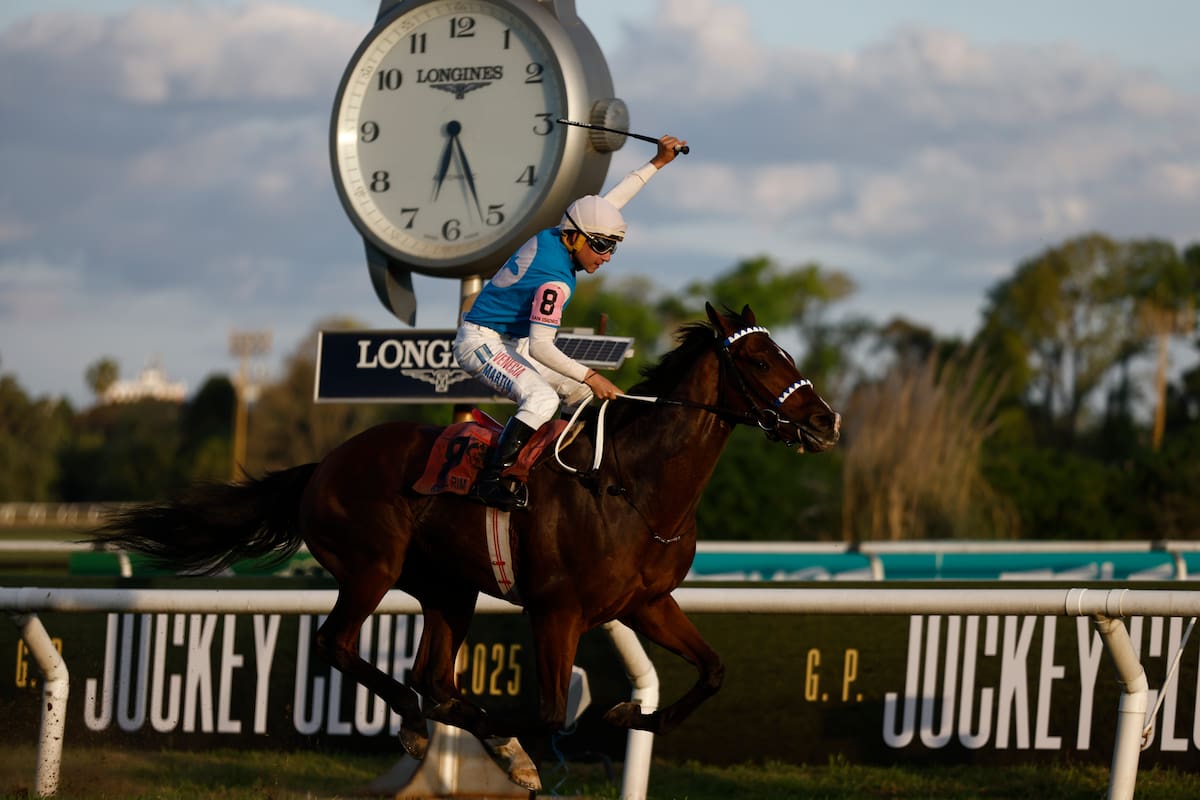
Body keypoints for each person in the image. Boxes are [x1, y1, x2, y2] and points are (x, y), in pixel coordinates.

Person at [453, 133, 688, 511]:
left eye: (613, 246)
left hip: (510, 341)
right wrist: (592, 376)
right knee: (543, 397)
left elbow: (608, 204)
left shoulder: (561, 233)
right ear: (575, 237)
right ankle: (491, 480)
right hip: (481, 342)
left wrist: (657, 163)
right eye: (601, 246)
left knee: (577, 396)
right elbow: (544, 347)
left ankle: (548, 468)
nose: (608, 257)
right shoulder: (555, 281)